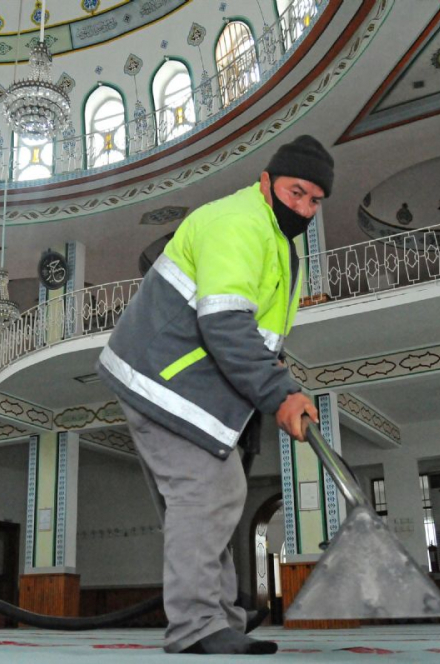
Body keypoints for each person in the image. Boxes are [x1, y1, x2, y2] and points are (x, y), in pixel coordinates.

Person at [97, 135, 333, 655]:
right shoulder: (239, 222)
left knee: (209, 500)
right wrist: (278, 394)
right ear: (267, 181)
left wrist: (281, 386)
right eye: (296, 193)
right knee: (209, 494)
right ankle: (197, 627)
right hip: (164, 376)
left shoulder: (278, 243)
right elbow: (224, 324)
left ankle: (219, 616)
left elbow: (259, 335)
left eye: (315, 201)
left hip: (182, 381)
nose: (304, 208)